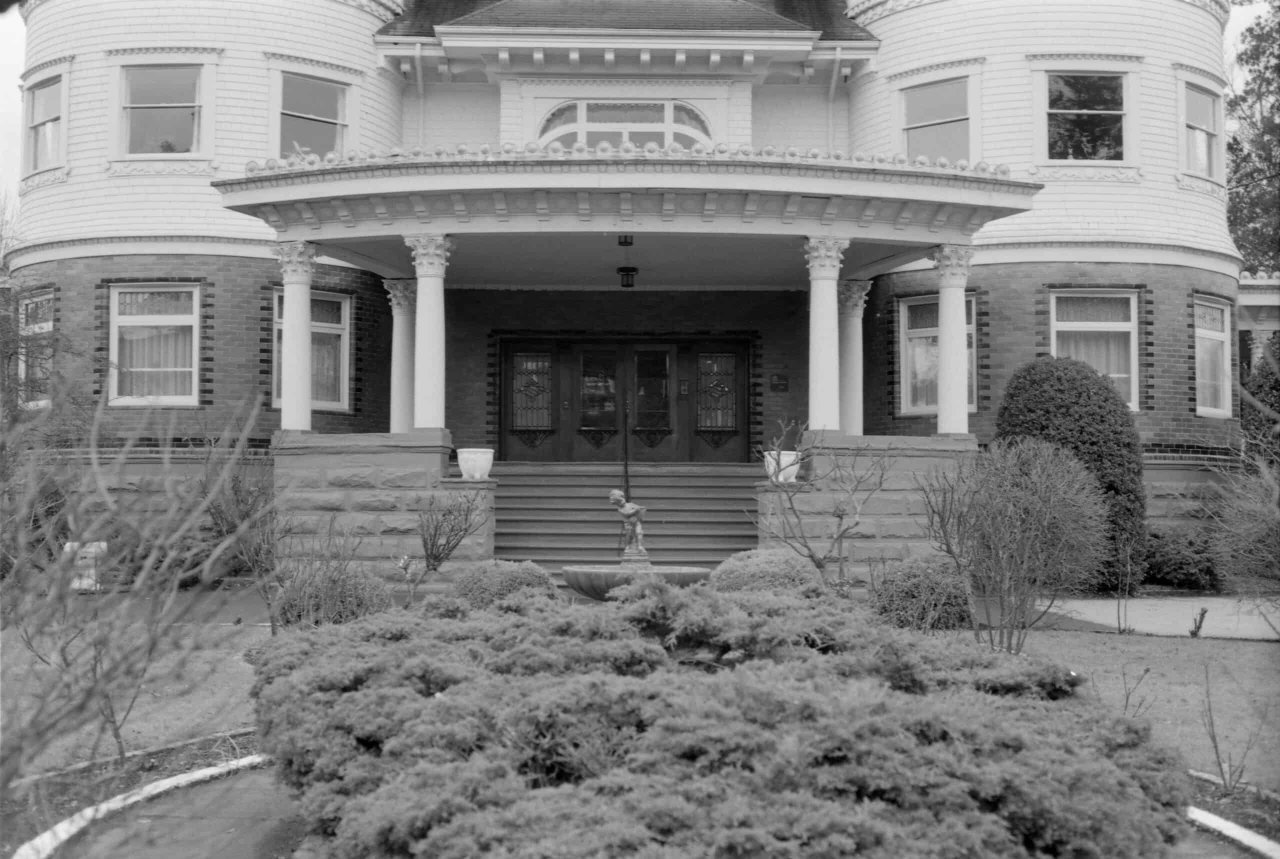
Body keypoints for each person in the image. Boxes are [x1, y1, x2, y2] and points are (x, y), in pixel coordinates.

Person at [608, 489, 645, 555]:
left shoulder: (631, 504)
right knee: (628, 535)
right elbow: (627, 513)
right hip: (629, 524)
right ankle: (628, 546)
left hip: (636, 522)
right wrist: (635, 510)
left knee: (639, 532)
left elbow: (639, 510)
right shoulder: (620, 509)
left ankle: (640, 546)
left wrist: (640, 510)